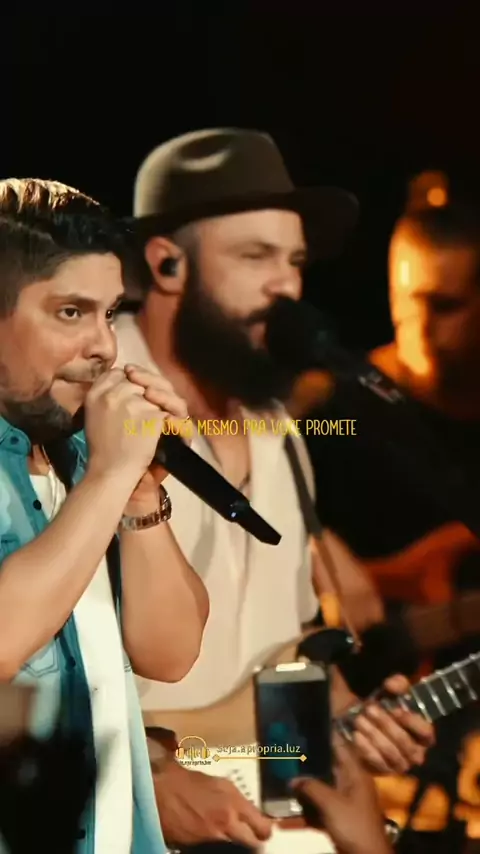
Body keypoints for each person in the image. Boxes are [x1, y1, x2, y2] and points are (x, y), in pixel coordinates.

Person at [115, 128, 434, 852]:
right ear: (166, 264)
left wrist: (352, 721)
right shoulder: (88, 408)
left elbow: (286, 656)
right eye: (254, 256)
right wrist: (147, 773)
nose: (286, 288)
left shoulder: (278, 432)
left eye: (293, 262)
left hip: (258, 826)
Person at [0, 179, 209, 854]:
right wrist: (111, 477)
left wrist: (140, 495)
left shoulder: (86, 461)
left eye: (111, 313)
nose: (106, 349)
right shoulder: (98, 473)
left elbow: (170, 653)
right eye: (71, 312)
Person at [291, 174, 480, 853]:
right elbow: (239, 454)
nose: (417, 326)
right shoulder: (336, 409)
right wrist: (316, 545)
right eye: (403, 302)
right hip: (348, 736)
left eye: (445, 305)